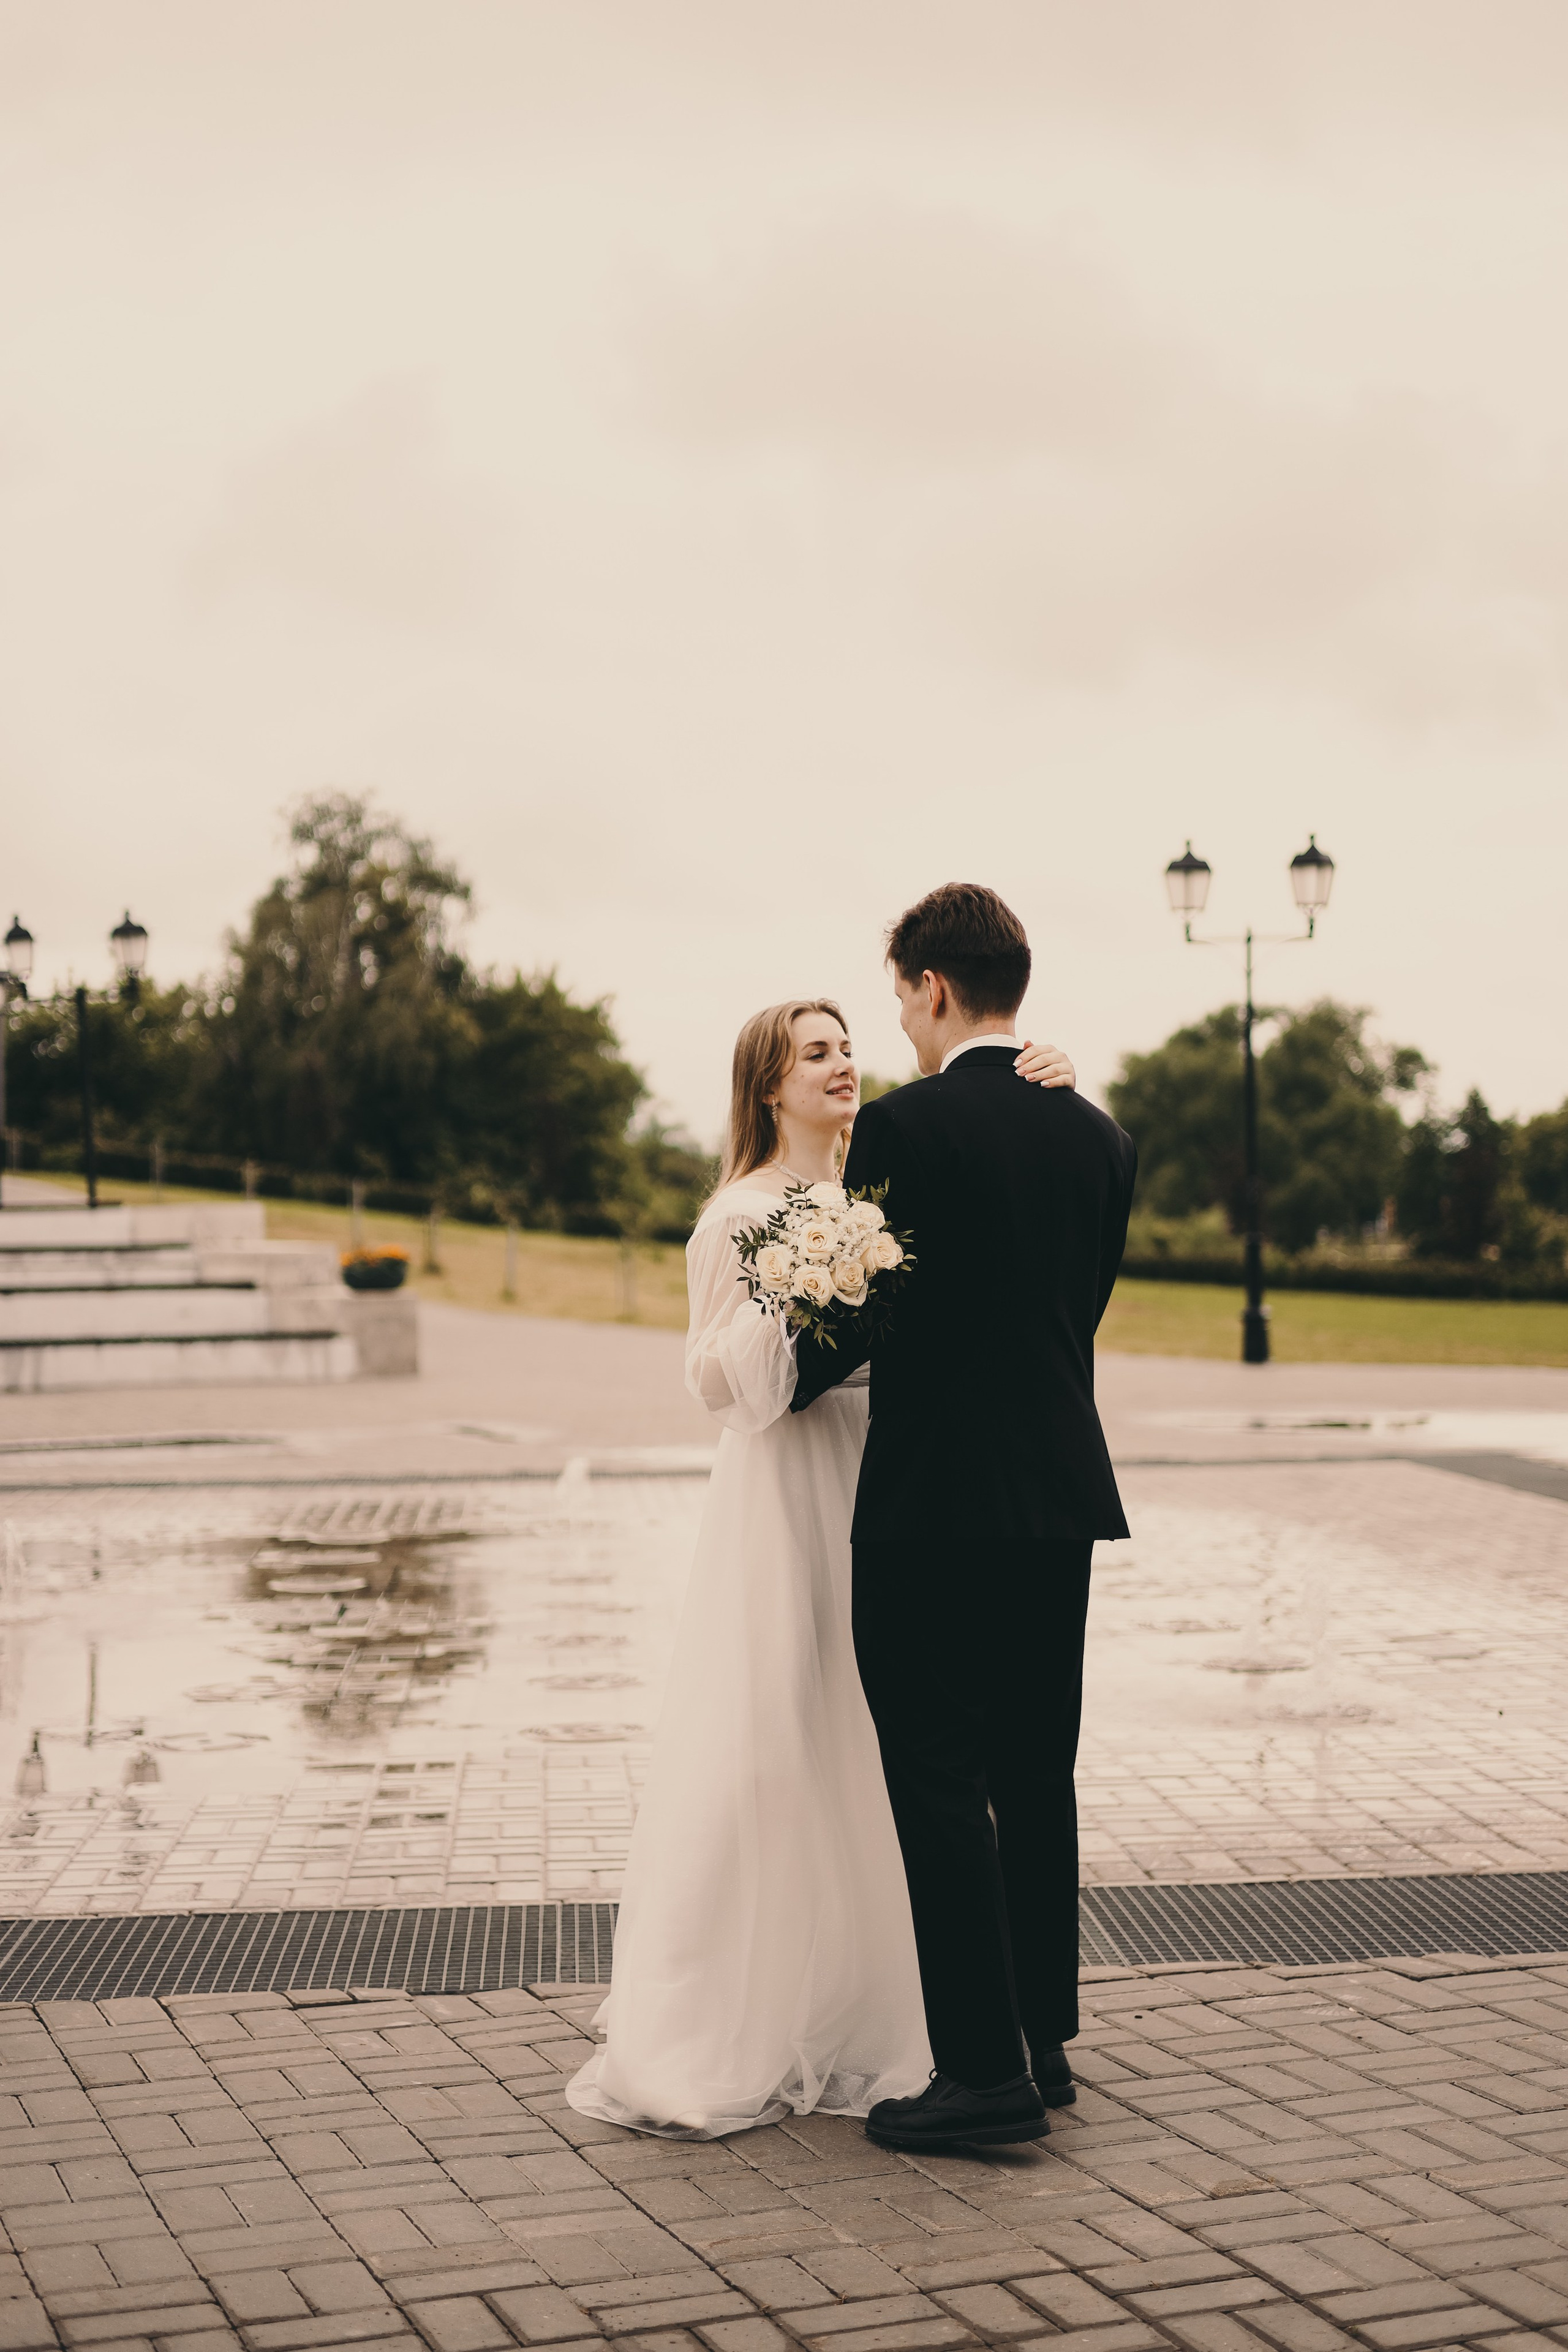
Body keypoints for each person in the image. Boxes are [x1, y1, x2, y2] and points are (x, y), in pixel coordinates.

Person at [566, 995, 1076, 2137]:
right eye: (816, 1053)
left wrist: (1047, 1075)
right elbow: (711, 1381)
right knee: (778, 1731)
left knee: (885, 1739)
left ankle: (896, 2009)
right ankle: (755, 2005)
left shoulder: (877, 1195)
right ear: (769, 1085)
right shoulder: (735, 1216)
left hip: (887, 1476)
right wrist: (799, 1300)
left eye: (848, 1046)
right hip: (786, 1488)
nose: (844, 1063)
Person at [790, 884, 1137, 2153]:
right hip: (1058, 1493)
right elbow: (1073, 1309)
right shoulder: (1099, 1135)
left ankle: (981, 2075)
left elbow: (859, 1311)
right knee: (1035, 1770)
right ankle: (1040, 2041)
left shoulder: (905, 1125)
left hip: (933, 1498)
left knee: (934, 1772)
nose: (896, 1018)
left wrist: (781, 1369)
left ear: (933, 987)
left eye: (897, 995)